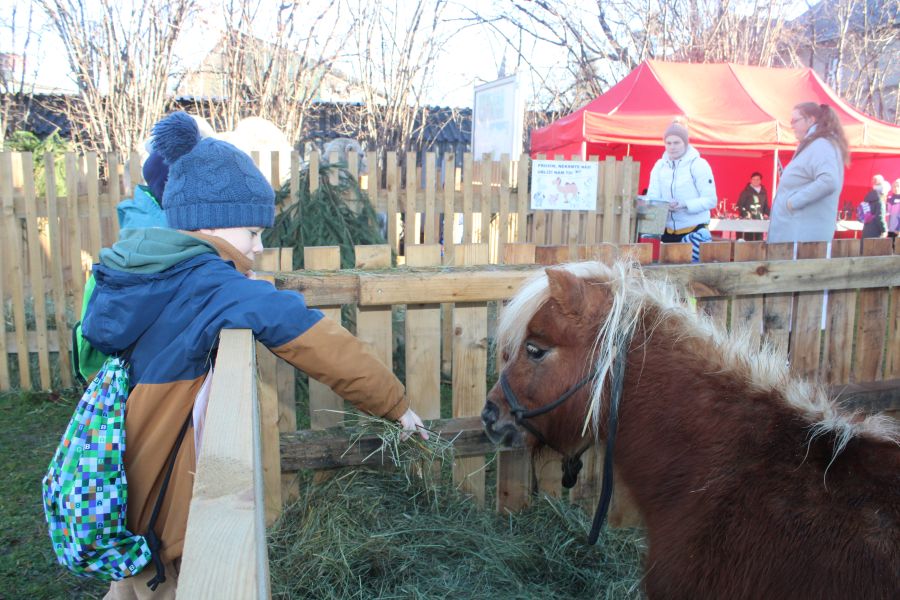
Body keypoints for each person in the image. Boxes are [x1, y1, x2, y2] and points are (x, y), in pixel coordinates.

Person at [88, 112, 427, 599]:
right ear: (212, 223)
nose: (260, 244)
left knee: (130, 584)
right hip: (167, 498)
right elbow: (318, 341)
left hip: (131, 470)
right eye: (252, 231)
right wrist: (394, 403)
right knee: (168, 584)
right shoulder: (214, 286)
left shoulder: (143, 269)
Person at [768, 102, 849, 244]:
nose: (792, 125)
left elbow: (829, 180)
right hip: (797, 238)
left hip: (802, 240)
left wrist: (793, 202)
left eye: (795, 120)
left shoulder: (821, 145)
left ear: (811, 120)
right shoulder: (815, 145)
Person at [645, 120, 717, 262]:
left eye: (677, 142)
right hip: (665, 232)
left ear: (685, 143)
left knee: (691, 273)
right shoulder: (659, 166)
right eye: (668, 143)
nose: (672, 147)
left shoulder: (699, 164)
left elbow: (711, 200)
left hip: (694, 231)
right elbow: (653, 198)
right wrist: (663, 205)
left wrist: (684, 204)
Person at [736, 171, 769, 241]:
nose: (755, 181)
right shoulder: (746, 191)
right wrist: (746, 214)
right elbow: (739, 205)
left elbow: (765, 206)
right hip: (748, 221)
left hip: (760, 220)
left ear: (760, 181)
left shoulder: (763, 192)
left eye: (757, 179)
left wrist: (768, 214)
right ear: (750, 180)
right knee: (748, 240)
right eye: (753, 179)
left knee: (758, 240)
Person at [861, 174, 888, 239]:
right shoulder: (880, 201)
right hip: (876, 232)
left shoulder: (867, 197)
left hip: (866, 230)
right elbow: (880, 217)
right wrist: (884, 230)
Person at [887, 178, 900, 245]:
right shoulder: (889, 198)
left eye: (898, 186)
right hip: (888, 229)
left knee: (896, 247)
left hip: (897, 229)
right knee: (888, 247)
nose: (896, 188)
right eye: (894, 186)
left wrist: (898, 229)